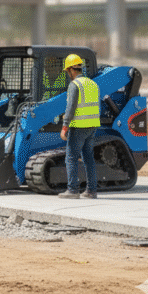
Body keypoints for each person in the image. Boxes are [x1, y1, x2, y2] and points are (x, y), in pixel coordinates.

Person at [58, 53, 100, 199]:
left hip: (79, 127)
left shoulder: (74, 85)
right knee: (88, 158)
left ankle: (72, 190)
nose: (68, 74)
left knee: (71, 157)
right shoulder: (93, 84)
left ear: (71, 69)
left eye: (67, 71)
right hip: (92, 126)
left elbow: (70, 108)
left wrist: (64, 127)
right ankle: (91, 191)